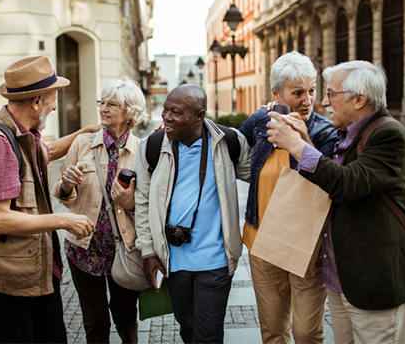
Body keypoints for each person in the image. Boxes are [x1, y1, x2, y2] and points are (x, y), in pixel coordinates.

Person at [266, 60, 405, 343]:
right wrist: (306, 142)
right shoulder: (349, 133)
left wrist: (297, 146)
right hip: (342, 279)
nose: (323, 102)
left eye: (331, 94)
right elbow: (331, 182)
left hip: (374, 280)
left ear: (359, 99)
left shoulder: (389, 134)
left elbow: (348, 184)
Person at [0, 55, 97, 343]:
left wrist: (85, 133)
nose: (56, 105)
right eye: (53, 98)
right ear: (37, 102)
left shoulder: (21, 136)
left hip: (31, 271)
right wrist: (64, 219)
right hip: (9, 278)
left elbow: (47, 151)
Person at [134, 84, 251, 344]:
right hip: (172, 261)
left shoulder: (228, 142)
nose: (166, 116)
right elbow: (141, 201)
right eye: (165, 109)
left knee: (208, 334)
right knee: (187, 328)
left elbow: (260, 176)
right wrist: (148, 252)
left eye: (175, 112)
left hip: (216, 260)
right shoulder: (151, 146)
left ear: (199, 115)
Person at [238, 51, 339, 344]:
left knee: (306, 333)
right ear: (276, 93)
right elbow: (229, 145)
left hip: (305, 244)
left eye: (312, 90)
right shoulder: (261, 122)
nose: (308, 100)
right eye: (298, 93)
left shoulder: (324, 132)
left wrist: (301, 140)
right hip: (261, 240)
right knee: (273, 332)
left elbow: (328, 178)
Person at [52, 77, 147, 344]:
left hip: (124, 249)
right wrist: (67, 184)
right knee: (95, 321)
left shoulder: (142, 151)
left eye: (112, 104)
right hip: (84, 247)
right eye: (101, 102)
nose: (103, 108)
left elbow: (154, 204)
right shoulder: (83, 144)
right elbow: (63, 194)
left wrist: (131, 203)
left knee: (126, 316)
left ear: (130, 111)